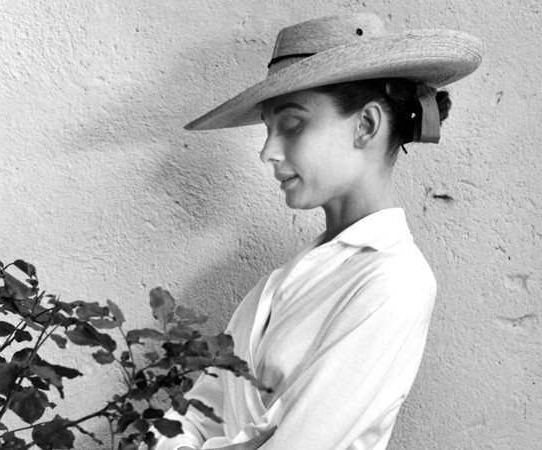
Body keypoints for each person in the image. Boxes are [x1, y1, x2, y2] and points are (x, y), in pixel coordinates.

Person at [152, 12, 483, 450]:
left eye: (291, 125)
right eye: (268, 130)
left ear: (365, 125)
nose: (267, 151)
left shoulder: (393, 282)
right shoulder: (274, 287)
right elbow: (188, 421)